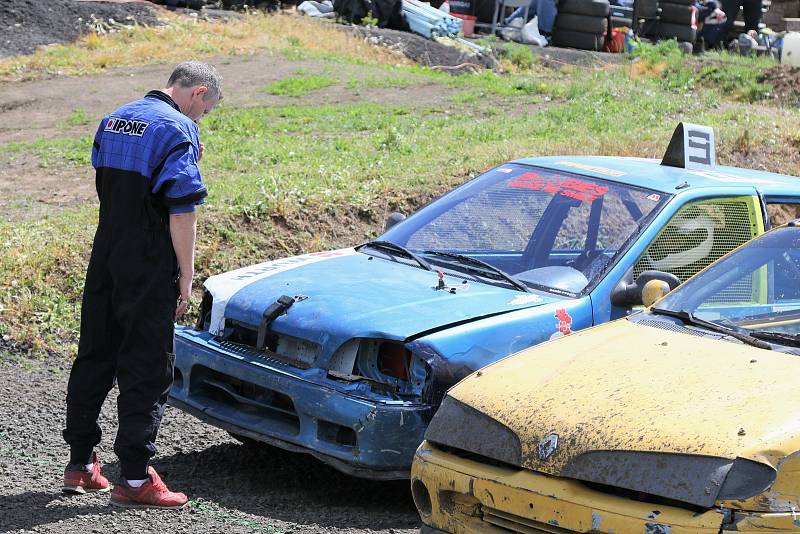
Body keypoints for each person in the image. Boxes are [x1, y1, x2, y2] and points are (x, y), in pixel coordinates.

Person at [61, 61, 222, 509]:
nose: (199, 119)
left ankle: (81, 463)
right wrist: (186, 277)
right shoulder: (178, 129)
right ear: (198, 93)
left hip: (107, 247)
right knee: (148, 366)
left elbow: (118, 180)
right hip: (148, 258)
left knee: (95, 352)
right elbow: (182, 209)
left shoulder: (114, 117)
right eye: (203, 111)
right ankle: (134, 477)